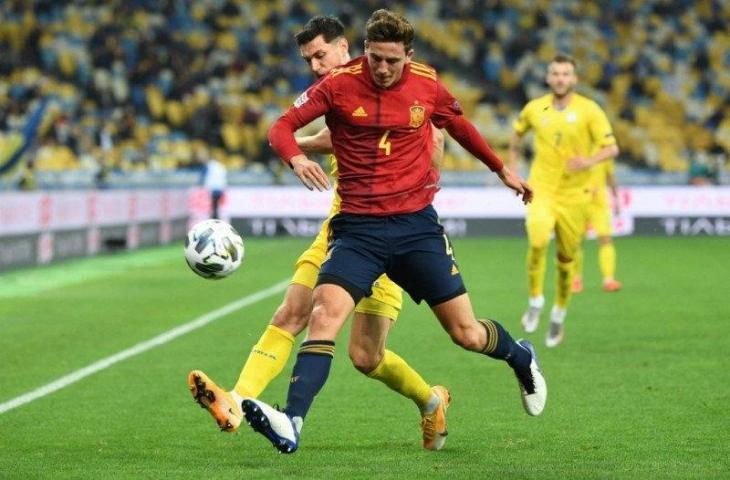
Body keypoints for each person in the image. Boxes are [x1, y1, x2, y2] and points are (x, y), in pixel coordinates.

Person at [241, 9, 547, 454]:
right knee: (323, 318)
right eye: (375, 59)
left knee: (466, 334)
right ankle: (291, 421)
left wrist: (502, 170)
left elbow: (457, 125)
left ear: (408, 55)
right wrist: (298, 158)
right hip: (357, 230)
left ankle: (520, 356)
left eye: (392, 61)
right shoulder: (336, 85)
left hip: (415, 228)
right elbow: (280, 127)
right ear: (364, 51)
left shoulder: (426, 83)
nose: (383, 69)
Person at [188, 15, 453, 452]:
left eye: (320, 55)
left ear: (345, 47)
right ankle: (237, 400)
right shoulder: (332, 92)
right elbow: (332, 130)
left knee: (366, 357)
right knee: (290, 314)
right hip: (342, 226)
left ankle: (430, 401)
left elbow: (427, 139)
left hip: (392, 226)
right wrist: (293, 150)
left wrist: (300, 147)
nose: (314, 65)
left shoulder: (393, 86)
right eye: (308, 59)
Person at [508, 53, 620, 348]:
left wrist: (588, 161)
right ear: (548, 78)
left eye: (565, 74)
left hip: (576, 196)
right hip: (541, 190)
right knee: (537, 241)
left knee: (566, 259)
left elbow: (611, 148)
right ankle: (535, 300)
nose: (560, 78)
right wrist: (513, 170)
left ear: (574, 79)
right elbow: (516, 136)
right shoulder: (535, 108)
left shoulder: (590, 110)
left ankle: (558, 312)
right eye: (555, 73)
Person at [572, 159, 622, 293]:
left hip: (599, 204)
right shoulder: (576, 148)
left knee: (605, 239)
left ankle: (608, 280)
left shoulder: (604, 151)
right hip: (578, 202)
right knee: (576, 242)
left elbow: (610, 177)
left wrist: (616, 199)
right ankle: (575, 279)